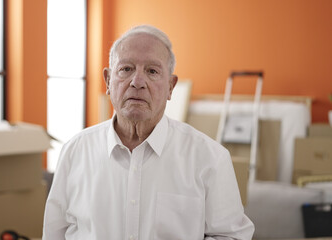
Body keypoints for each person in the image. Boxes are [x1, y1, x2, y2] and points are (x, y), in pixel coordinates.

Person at [42, 25, 254, 240]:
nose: (137, 82)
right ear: (107, 80)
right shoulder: (75, 151)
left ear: (171, 87)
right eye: (126, 69)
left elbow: (231, 236)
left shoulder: (209, 158)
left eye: (152, 71)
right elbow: (54, 234)